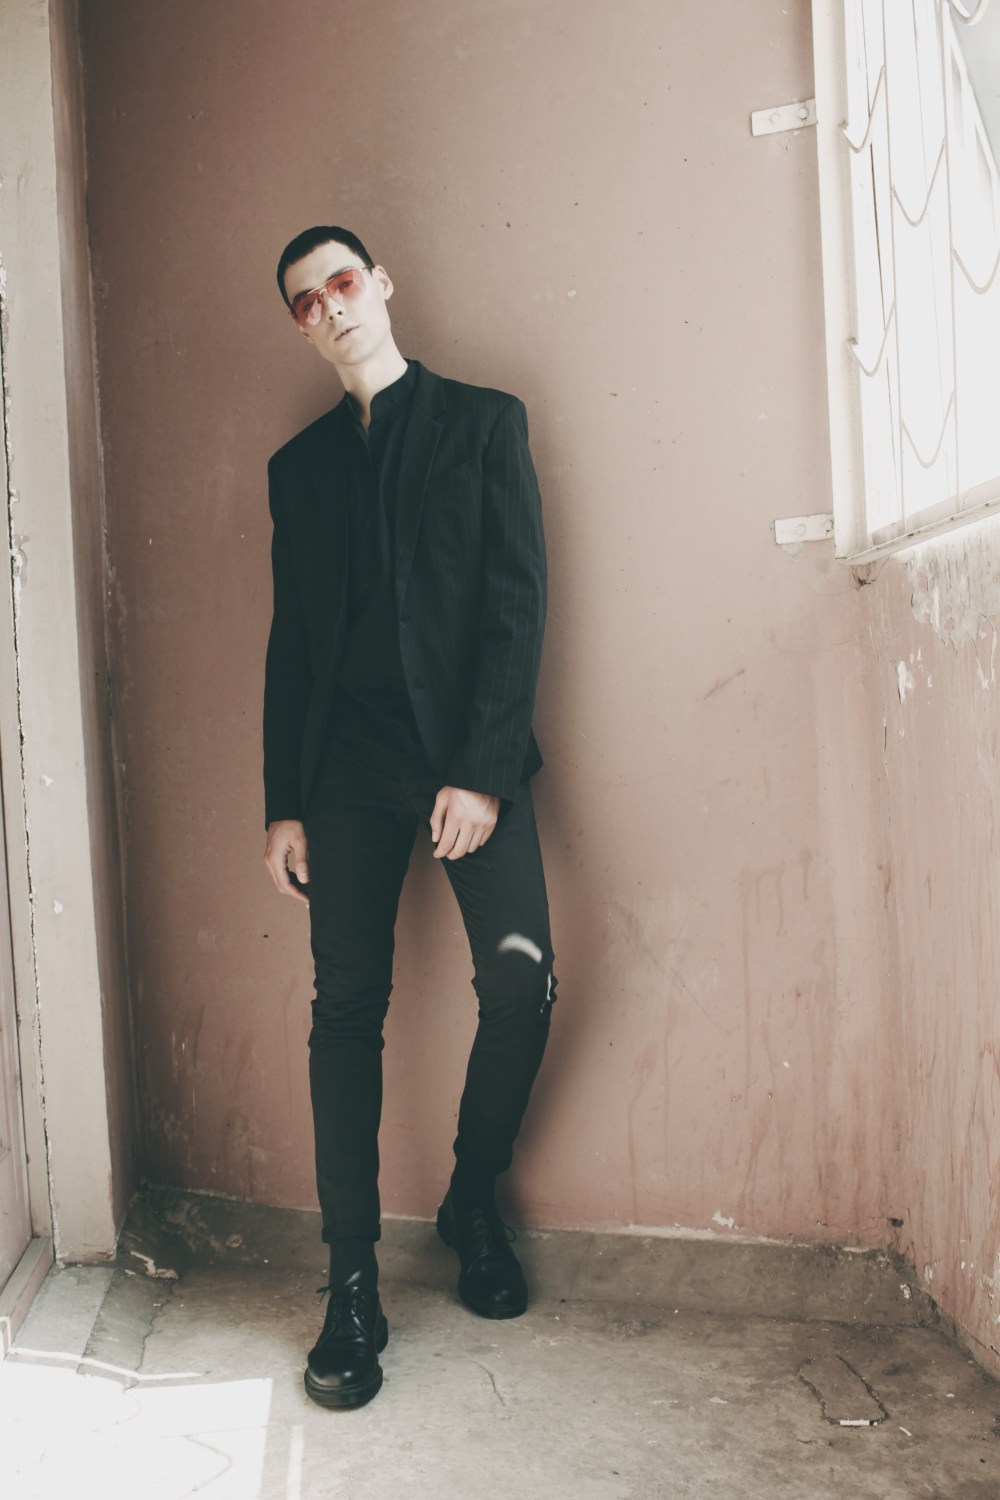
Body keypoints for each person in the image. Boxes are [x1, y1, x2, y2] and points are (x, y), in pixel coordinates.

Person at [262, 226, 556, 1409]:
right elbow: (291, 646)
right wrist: (283, 804)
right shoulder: (298, 469)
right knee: (345, 1011)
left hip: (467, 757)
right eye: (305, 301)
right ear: (299, 326)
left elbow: (517, 605)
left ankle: (470, 1199)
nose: (329, 307)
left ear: (379, 286)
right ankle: (350, 1286)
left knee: (521, 982)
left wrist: (480, 773)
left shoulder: (484, 424)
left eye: (342, 283)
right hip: (347, 774)